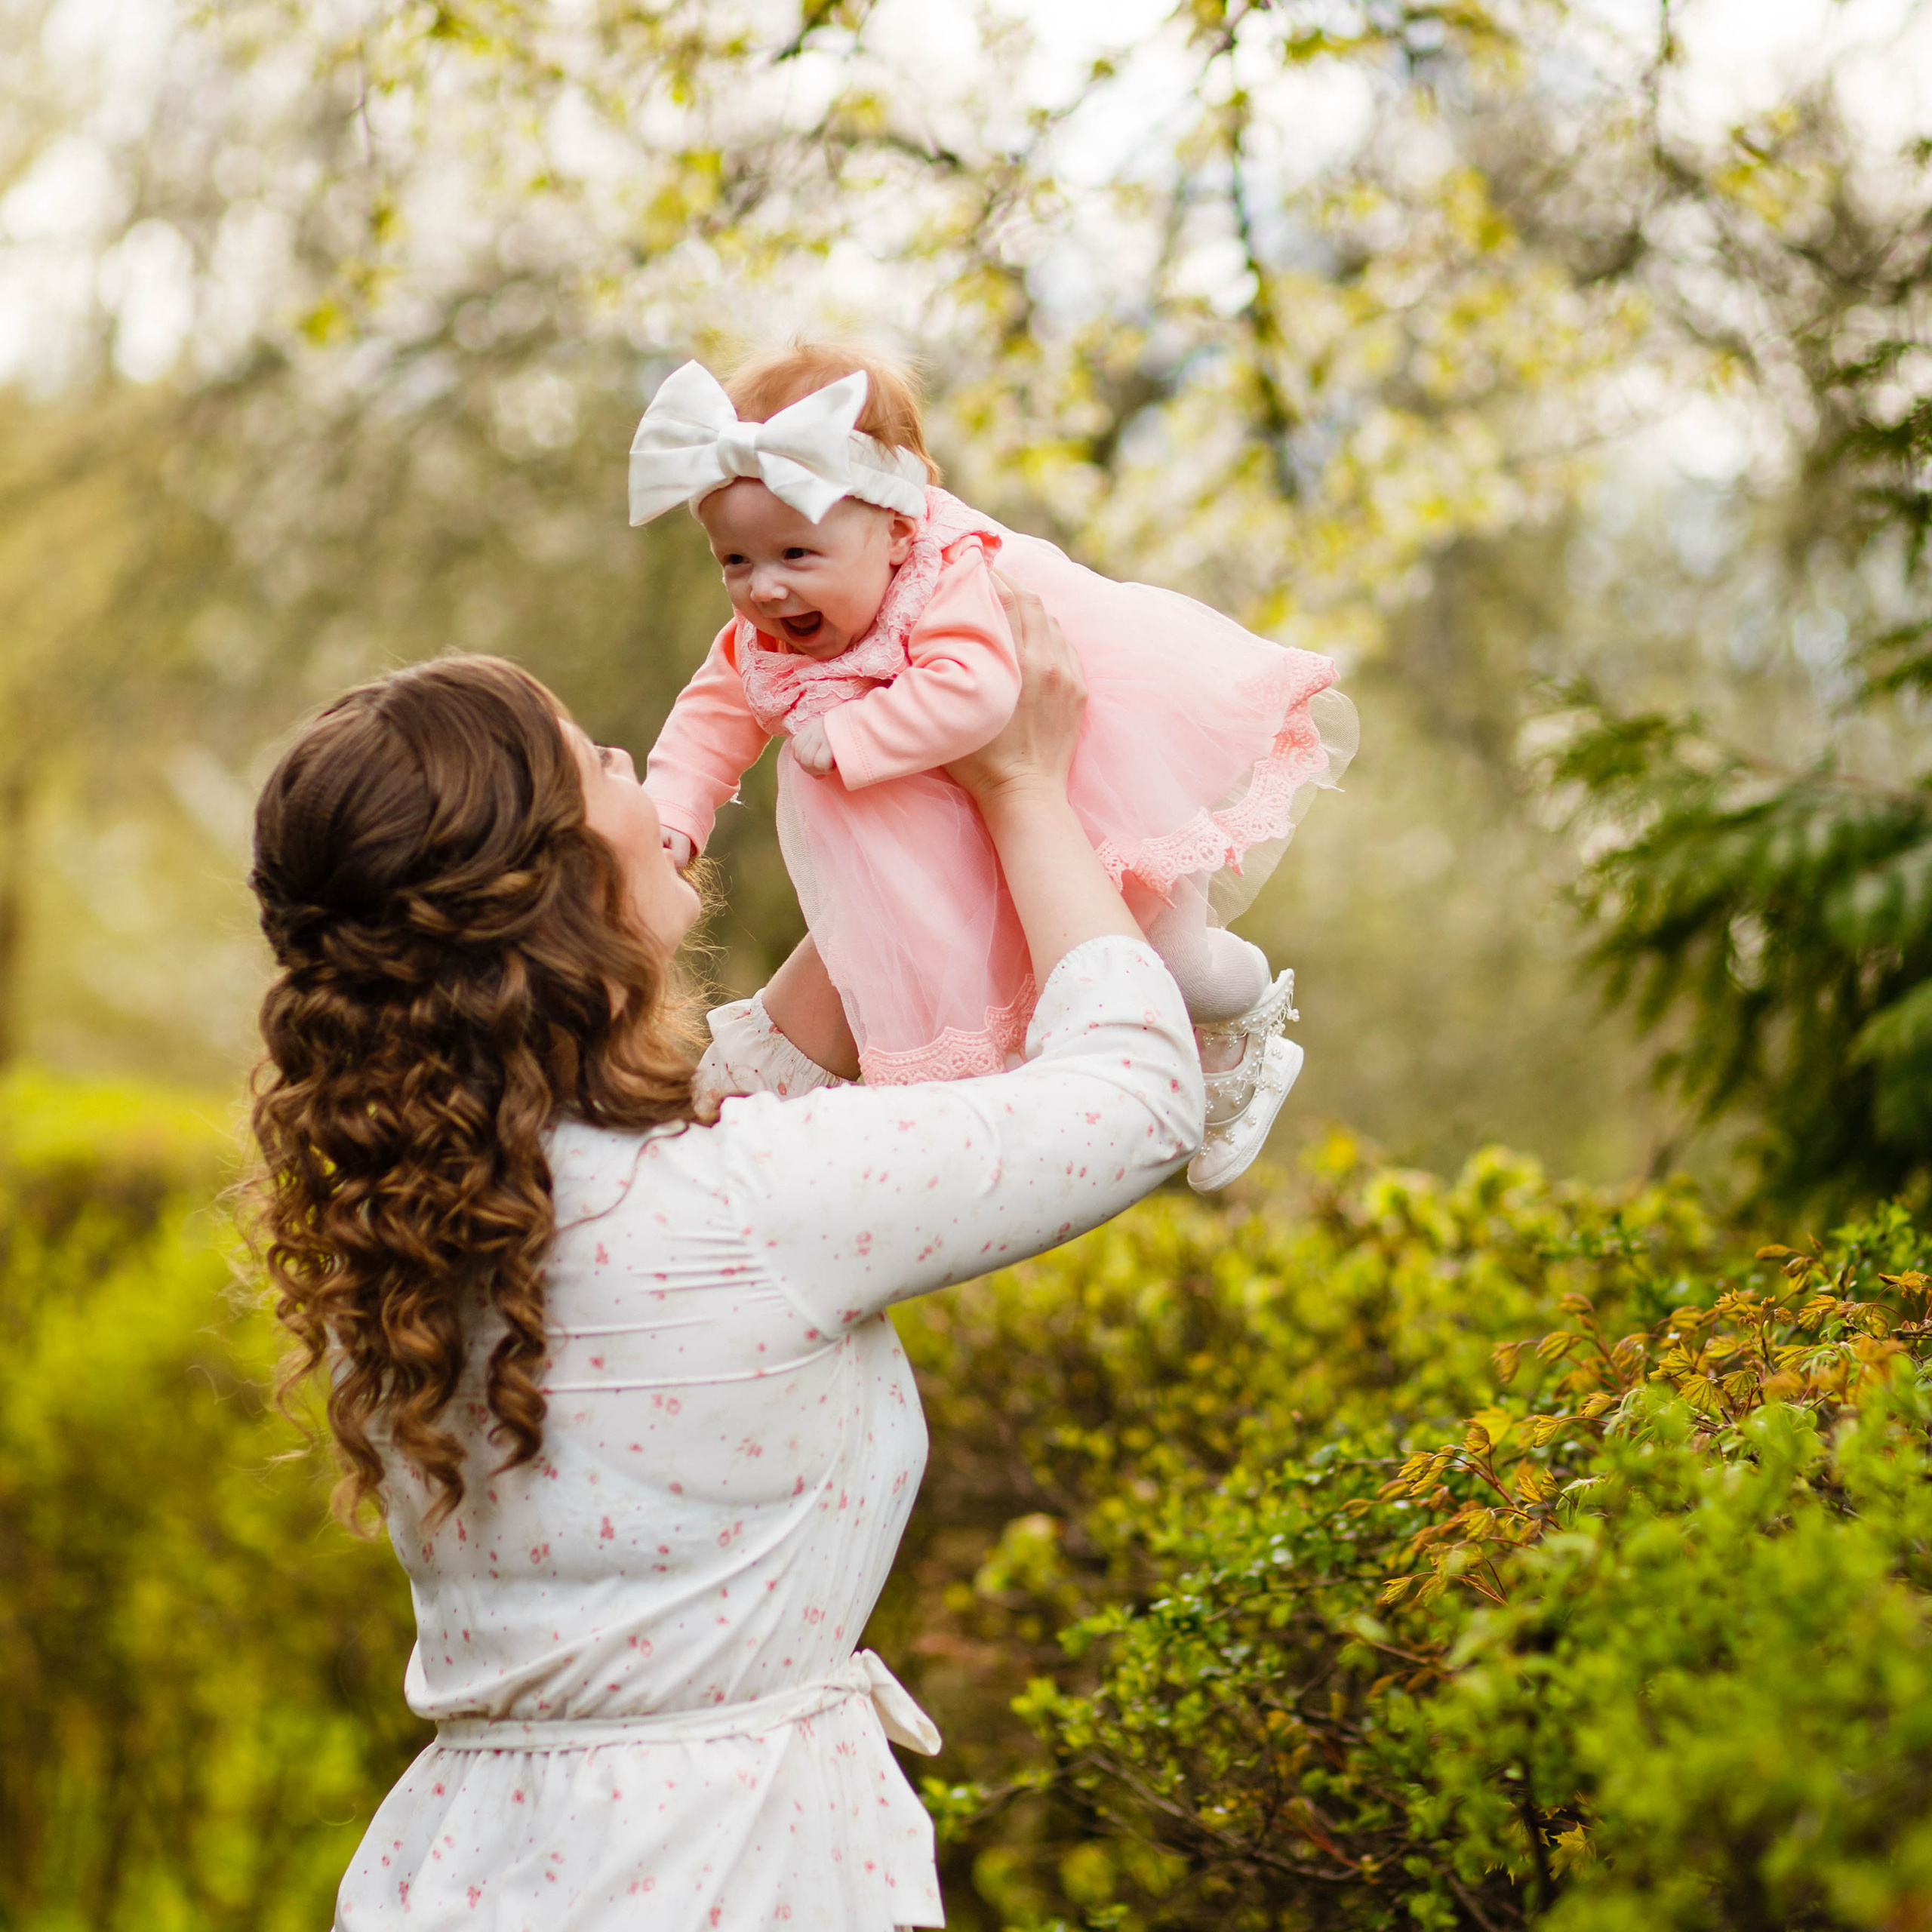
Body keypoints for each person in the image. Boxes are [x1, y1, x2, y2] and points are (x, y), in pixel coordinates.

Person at [246, 596, 1203, 1932]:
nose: (644, 771)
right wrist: (1023, 784)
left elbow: (737, 1095)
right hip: (736, 1867)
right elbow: (1140, 1099)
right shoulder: (744, 1209)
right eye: (602, 764)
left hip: (471, 1869)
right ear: (557, 882)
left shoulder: (420, 1223)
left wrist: (910, 825)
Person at [631, 343, 1357, 1189]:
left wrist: (857, 736)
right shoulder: (760, 644)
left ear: (899, 530)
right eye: (735, 561)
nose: (764, 592)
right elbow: (708, 720)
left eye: (795, 555)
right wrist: (671, 815)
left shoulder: (946, 585)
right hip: (951, 838)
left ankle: (1253, 1022)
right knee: (992, 1005)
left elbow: (977, 692)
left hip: (1093, 797)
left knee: (1178, 969)